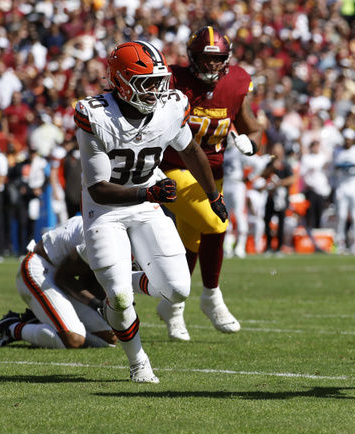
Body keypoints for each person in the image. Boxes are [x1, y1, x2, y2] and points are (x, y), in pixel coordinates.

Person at [75, 40, 226, 382]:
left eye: (159, 82)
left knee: (177, 290)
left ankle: (110, 279)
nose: (155, 91)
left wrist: (213, 195)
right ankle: (138, 361)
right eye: (146, 83)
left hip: (147, 200)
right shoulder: (96, 115)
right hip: (106, 208)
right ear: (122, 81)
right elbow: (98, 188)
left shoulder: (170, 108)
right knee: (120, 297)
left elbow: (190, 150)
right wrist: (149, 192)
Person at [158, 26, 262, 340]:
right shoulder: (174, 80)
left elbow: (252, 127)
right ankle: (211, 298)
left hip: (212, 174)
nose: (213, 65)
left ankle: (172, 308)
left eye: (218, 59)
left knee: (193, 243)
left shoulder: (237, 82)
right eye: (207, 58)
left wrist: (251, 144)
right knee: (217, 224)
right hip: (174, 170)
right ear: (193, 58)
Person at [0, 215, 117, 349]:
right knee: (74, 338)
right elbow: (63, 278)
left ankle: (37, 320)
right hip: (39, 269)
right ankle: (12, 328)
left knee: (108, 338)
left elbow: (89, 279)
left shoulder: (112, 232)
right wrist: (98, 304)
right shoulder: (98, 237)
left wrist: (109, 303)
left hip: (60, 276)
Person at [332, 128, 355, 254]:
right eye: (346, 139)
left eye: (349, 140)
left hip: (354, 184)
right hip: (342, 185)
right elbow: (333, 167)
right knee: (341, 216)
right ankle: (340, 243)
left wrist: (354, 167)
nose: (347, 142)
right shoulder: (337, 151)